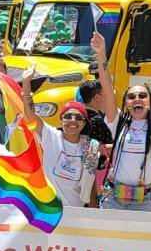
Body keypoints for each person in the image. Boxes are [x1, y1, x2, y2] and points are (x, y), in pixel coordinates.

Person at [92, 30, 151, 212]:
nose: (137, 99)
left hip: (144, 201)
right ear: (126, 103)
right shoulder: (118, 122)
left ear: (150, 102)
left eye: (142, 96)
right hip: (113, 199)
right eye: (132, 96)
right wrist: (101, 53)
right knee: (109, 241)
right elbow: (107, 87)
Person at [21, 68, 101, 208]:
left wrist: (93, 214)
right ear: (61, 120)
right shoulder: (50, 136)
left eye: (78, 117)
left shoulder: (90, 147)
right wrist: (26, 83)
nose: (72, 120)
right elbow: (30, 113)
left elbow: (91, 185)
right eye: (68, 116)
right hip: (50, 212)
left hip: (76, 215)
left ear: (83, 123)